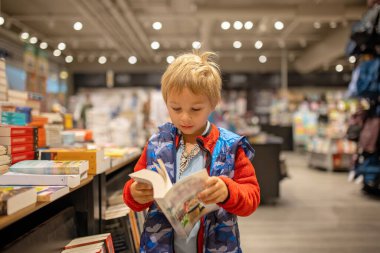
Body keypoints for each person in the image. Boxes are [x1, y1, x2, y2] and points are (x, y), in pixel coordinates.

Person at [123, 51, 260, 253]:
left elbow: (252, 197)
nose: (185, 118)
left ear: (213, 104)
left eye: (195, 109)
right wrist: (134, 193)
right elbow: (133, 190)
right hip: (160, 246)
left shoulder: (230, 147)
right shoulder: (156, 143)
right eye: (176, 108)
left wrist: (227, 191)